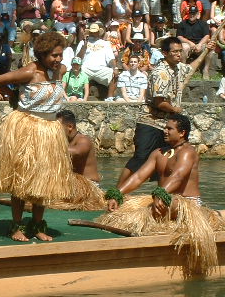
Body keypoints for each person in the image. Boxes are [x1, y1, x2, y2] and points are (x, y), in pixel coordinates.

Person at [100, 114, 223, 278]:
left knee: (160, 207)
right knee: (124, 207)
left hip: (185, 203)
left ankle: (214, 216)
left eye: (169, 128)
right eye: (165, 127)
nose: (164, 131)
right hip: (163, 200)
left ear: (182, 133)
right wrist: (117, 194)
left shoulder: (188, 152)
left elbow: (178, 176)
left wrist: (161, 192)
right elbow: (138, 177)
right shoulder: (158, 153)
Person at [0, 32, 74, 241]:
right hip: (27, 128)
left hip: (49, 130)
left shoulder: (60, 71)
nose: (58, 60)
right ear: (42, 54)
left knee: (43, 180)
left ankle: (37, 225)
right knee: (21, 179)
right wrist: (11, 95)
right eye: (54, 56)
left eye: (60, 55)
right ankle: (17, 226)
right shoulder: (30, 71)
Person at [118, 37, 214, 186]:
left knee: (167, 160)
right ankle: (116, 193)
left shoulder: (178, 67)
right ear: (164, 53)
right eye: (175, 52)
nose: (178, 55)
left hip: (168, 124)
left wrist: (206, 50)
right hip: (150, 122)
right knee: (140, 159)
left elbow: (191, 68)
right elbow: (160, 103)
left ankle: (162, 196)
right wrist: (176, 110)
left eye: (180, 52)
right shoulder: (160, 73)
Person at [52, 109, 104, 211]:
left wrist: (50, 147)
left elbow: (77, 152)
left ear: (70, 127)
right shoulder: (64, 141)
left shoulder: (83, 140)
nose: (55, 131)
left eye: (57, 127)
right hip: (70, 185)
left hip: (88, 188)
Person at [75, 22, 118, 99]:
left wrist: (115, 68)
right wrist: (84, 45)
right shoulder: (82, 43)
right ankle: (78, 96)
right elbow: (77, 59)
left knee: (114, 74)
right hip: (86, 68)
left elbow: (111, 58)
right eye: (92, 32)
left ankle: (110, 98)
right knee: (76, 72)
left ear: (98, 33)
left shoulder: (105, 43)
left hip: (101, 68)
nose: (93, 34)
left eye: (95, 32)